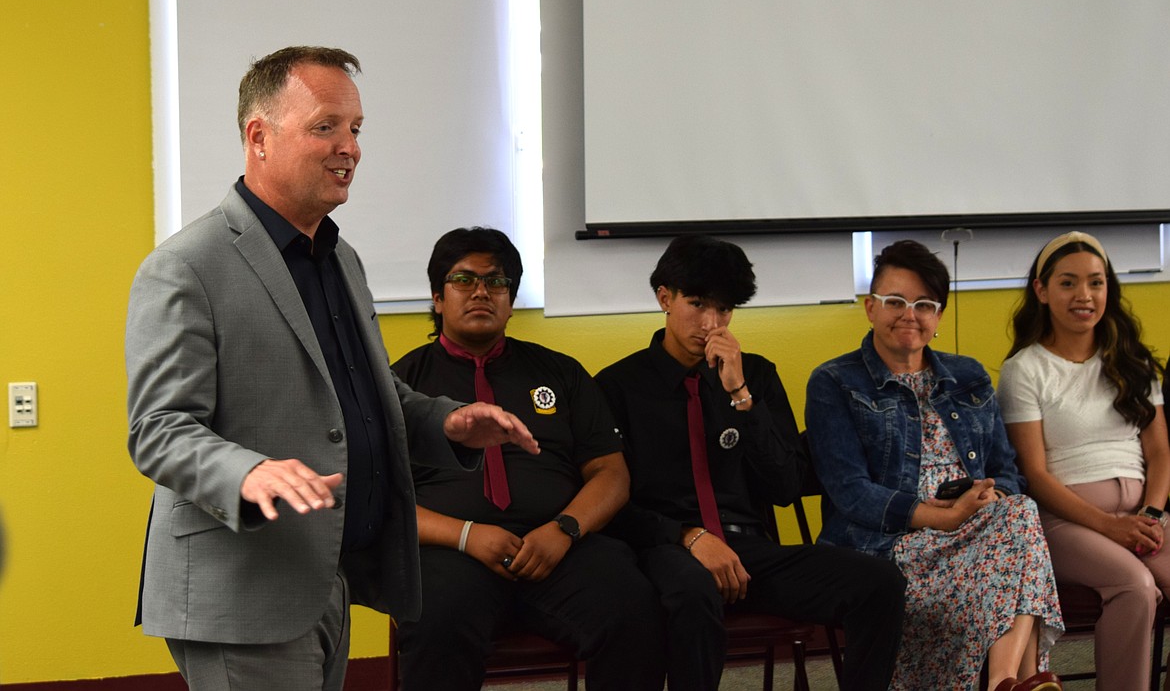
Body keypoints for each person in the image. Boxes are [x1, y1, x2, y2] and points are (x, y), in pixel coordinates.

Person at [125, 47, 538, 691]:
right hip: (244, 591)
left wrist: (448, 422)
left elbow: (366, 397)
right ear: (258, 137)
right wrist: (251, 470)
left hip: (331, 575)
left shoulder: (338, 257)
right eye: (326, 127)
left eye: (356, 129)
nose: (351, 147)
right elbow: (158, 428)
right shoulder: (187, 266)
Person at [595, 234, 906, 691]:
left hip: (748, 551)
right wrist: (690, 537)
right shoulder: (617, 386)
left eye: (723, 310)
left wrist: (741, 396)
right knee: (691, 590)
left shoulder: (755, 375)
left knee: (879, 581)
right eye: (697, 304)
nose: (710, 323)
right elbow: (612, 503)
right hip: (669, 549)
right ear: (664, 298)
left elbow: (784, 487)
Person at [390, 227, 665, 690]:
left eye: (496, 282)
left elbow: (611, 473)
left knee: (632, 607)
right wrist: (467, 535)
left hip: (561, 547)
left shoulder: (560, 372)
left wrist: (565, 529)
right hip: (450, 552)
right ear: (437, 298)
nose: (481, 292)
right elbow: (381, 499)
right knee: (437, 623)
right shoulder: (401, 382)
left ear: (511, 301)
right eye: (463, 280)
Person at [805, 239, 1064, 691]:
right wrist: (942, 518)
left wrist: (987, 497)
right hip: (885, 549)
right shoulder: (834, 381)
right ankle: (1019, 680)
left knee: (1018, 508)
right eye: (895, 302)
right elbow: (850, 491)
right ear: (870, 308)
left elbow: (1007, 470)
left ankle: (1004, 681)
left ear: (938, 317)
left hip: (978, 535)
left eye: (924, 304)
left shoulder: (968, 376)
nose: (910, 314)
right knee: (1020, 539)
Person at [999, 231, 1170, 691]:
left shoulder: (1133, 361)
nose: (1084, 296)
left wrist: (1151, 513)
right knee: (1135, 586)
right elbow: (1034, 474)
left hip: (1143, 513)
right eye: (1068, 283)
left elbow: (1157, 451)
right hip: (1066, 521)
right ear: (1042, 290)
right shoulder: (1024, 370)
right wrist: (1109, 526)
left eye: (1096, 283)